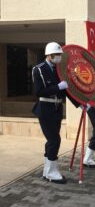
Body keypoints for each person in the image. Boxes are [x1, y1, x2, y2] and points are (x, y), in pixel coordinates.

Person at [32, 42, 78, 184]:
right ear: (49, 55)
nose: (59, 57)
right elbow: (38, 92)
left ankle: (47, 171)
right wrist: (57, 87)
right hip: (45, 109)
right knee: (54, 140)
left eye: (60, 55)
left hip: (57, 109)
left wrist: (80, 104)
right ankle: (52, 173)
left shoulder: (59, 70)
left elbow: (66, 90)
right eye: (56, 55)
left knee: (51, 141)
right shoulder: (38, 69)